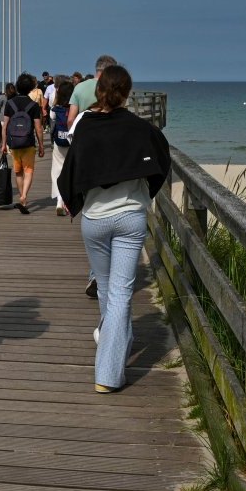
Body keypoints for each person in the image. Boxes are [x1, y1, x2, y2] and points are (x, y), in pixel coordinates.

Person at [57, 65, 171, 394]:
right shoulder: (140, 128)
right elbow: (161, 159)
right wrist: (144, 191)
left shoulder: (86, 127)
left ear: (99, 90)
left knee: (108, 291)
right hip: (131, 217)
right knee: (120, 293)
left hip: (95, 220)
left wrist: (74, 202)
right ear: (128, 91)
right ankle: (108, 372)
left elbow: (72, 170)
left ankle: (110, 345)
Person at [0, 73, 45, 214]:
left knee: (18, 171)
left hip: (14, 142)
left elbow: (5, 126)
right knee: (29, 171)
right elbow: (38, 127)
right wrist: (41, 145)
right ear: (31, 88)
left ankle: (21, 196)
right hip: (28, 142)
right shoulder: (33, 105)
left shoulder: (10, 103)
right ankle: (24, 195)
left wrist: (3, 144)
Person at [68, 55, 118, 128]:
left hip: (84, 131)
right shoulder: (115, 88)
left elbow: (70, 119)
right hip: (108, 132)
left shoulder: (79, 87)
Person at [49, 79, 74, 215]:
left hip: (59, 143)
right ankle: (69, 201)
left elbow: (52, 118)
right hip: (73, 143)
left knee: (57, 171)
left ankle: (59, 200)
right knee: (71, 172)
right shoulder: (75, 108)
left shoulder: (56, 108)